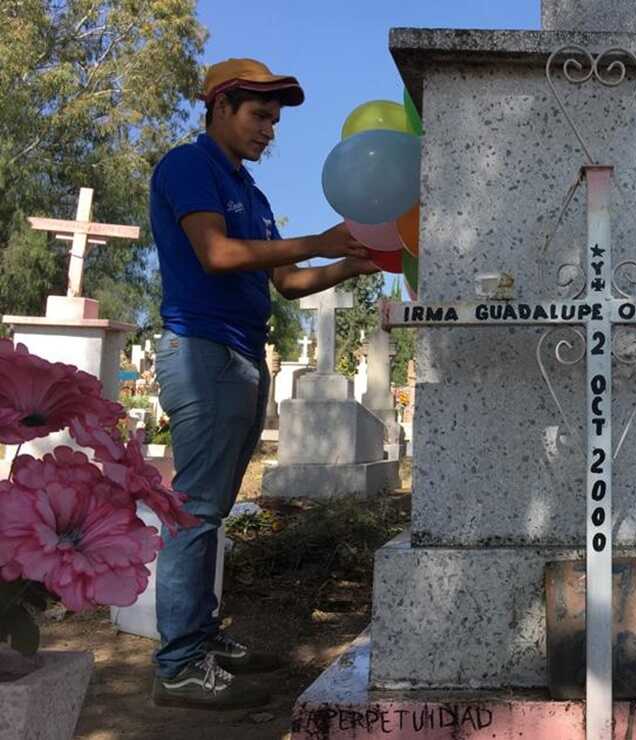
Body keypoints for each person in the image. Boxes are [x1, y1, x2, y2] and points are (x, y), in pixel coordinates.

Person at [149, 58, 378, 709]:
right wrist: (316, 240)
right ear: (219, 106)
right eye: (258, 115)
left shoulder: (250, 194)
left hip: (242, 356)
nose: (268, 129)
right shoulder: (188, 167)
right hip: (201, 353)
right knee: (193, 513)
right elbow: (216, 255)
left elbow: (287, 283)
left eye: (274, 120)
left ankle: (200, 639)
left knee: (211, 512)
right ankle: (178, 665)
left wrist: (347, 265)